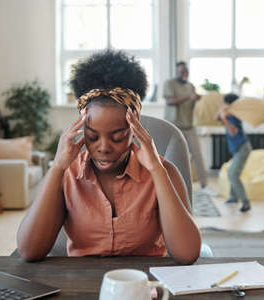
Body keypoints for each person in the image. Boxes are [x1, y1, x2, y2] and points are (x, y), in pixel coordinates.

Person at [17, 50, 201, 264]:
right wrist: (57, 167)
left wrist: (157, 172)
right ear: (81, 128)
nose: (103, 148)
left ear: (135, 128)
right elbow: (29, 250)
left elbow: (187, 254)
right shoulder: (67, 174)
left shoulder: (164, 171)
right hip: (80, 286)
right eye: (93, 136)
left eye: (118, 136)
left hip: (144, 286)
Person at [163, 62, 211, 193]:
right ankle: (169, 187)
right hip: (174, 126)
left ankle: (205, 186)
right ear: (176, 71)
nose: (183, 73)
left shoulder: (191, 86)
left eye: (185, 71)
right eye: (180, 71)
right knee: (172, 157)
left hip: (189, 126)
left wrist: (197, 98)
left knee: (197, 155)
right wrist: (188, 97)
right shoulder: (169, 83)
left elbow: (194, 102)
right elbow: (169, 101)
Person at [216, 93, 252, 213]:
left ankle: (245, 203)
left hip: (242, 148)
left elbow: (233, 133)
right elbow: (216, 118)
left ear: (230, 104)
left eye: (225, 103)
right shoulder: (228, 113)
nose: (223, 105)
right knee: (232, 171)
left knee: (232, 174)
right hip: (238, 149)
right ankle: (233, 198)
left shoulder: (233, 116)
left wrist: (225, 118)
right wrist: (221, 111)